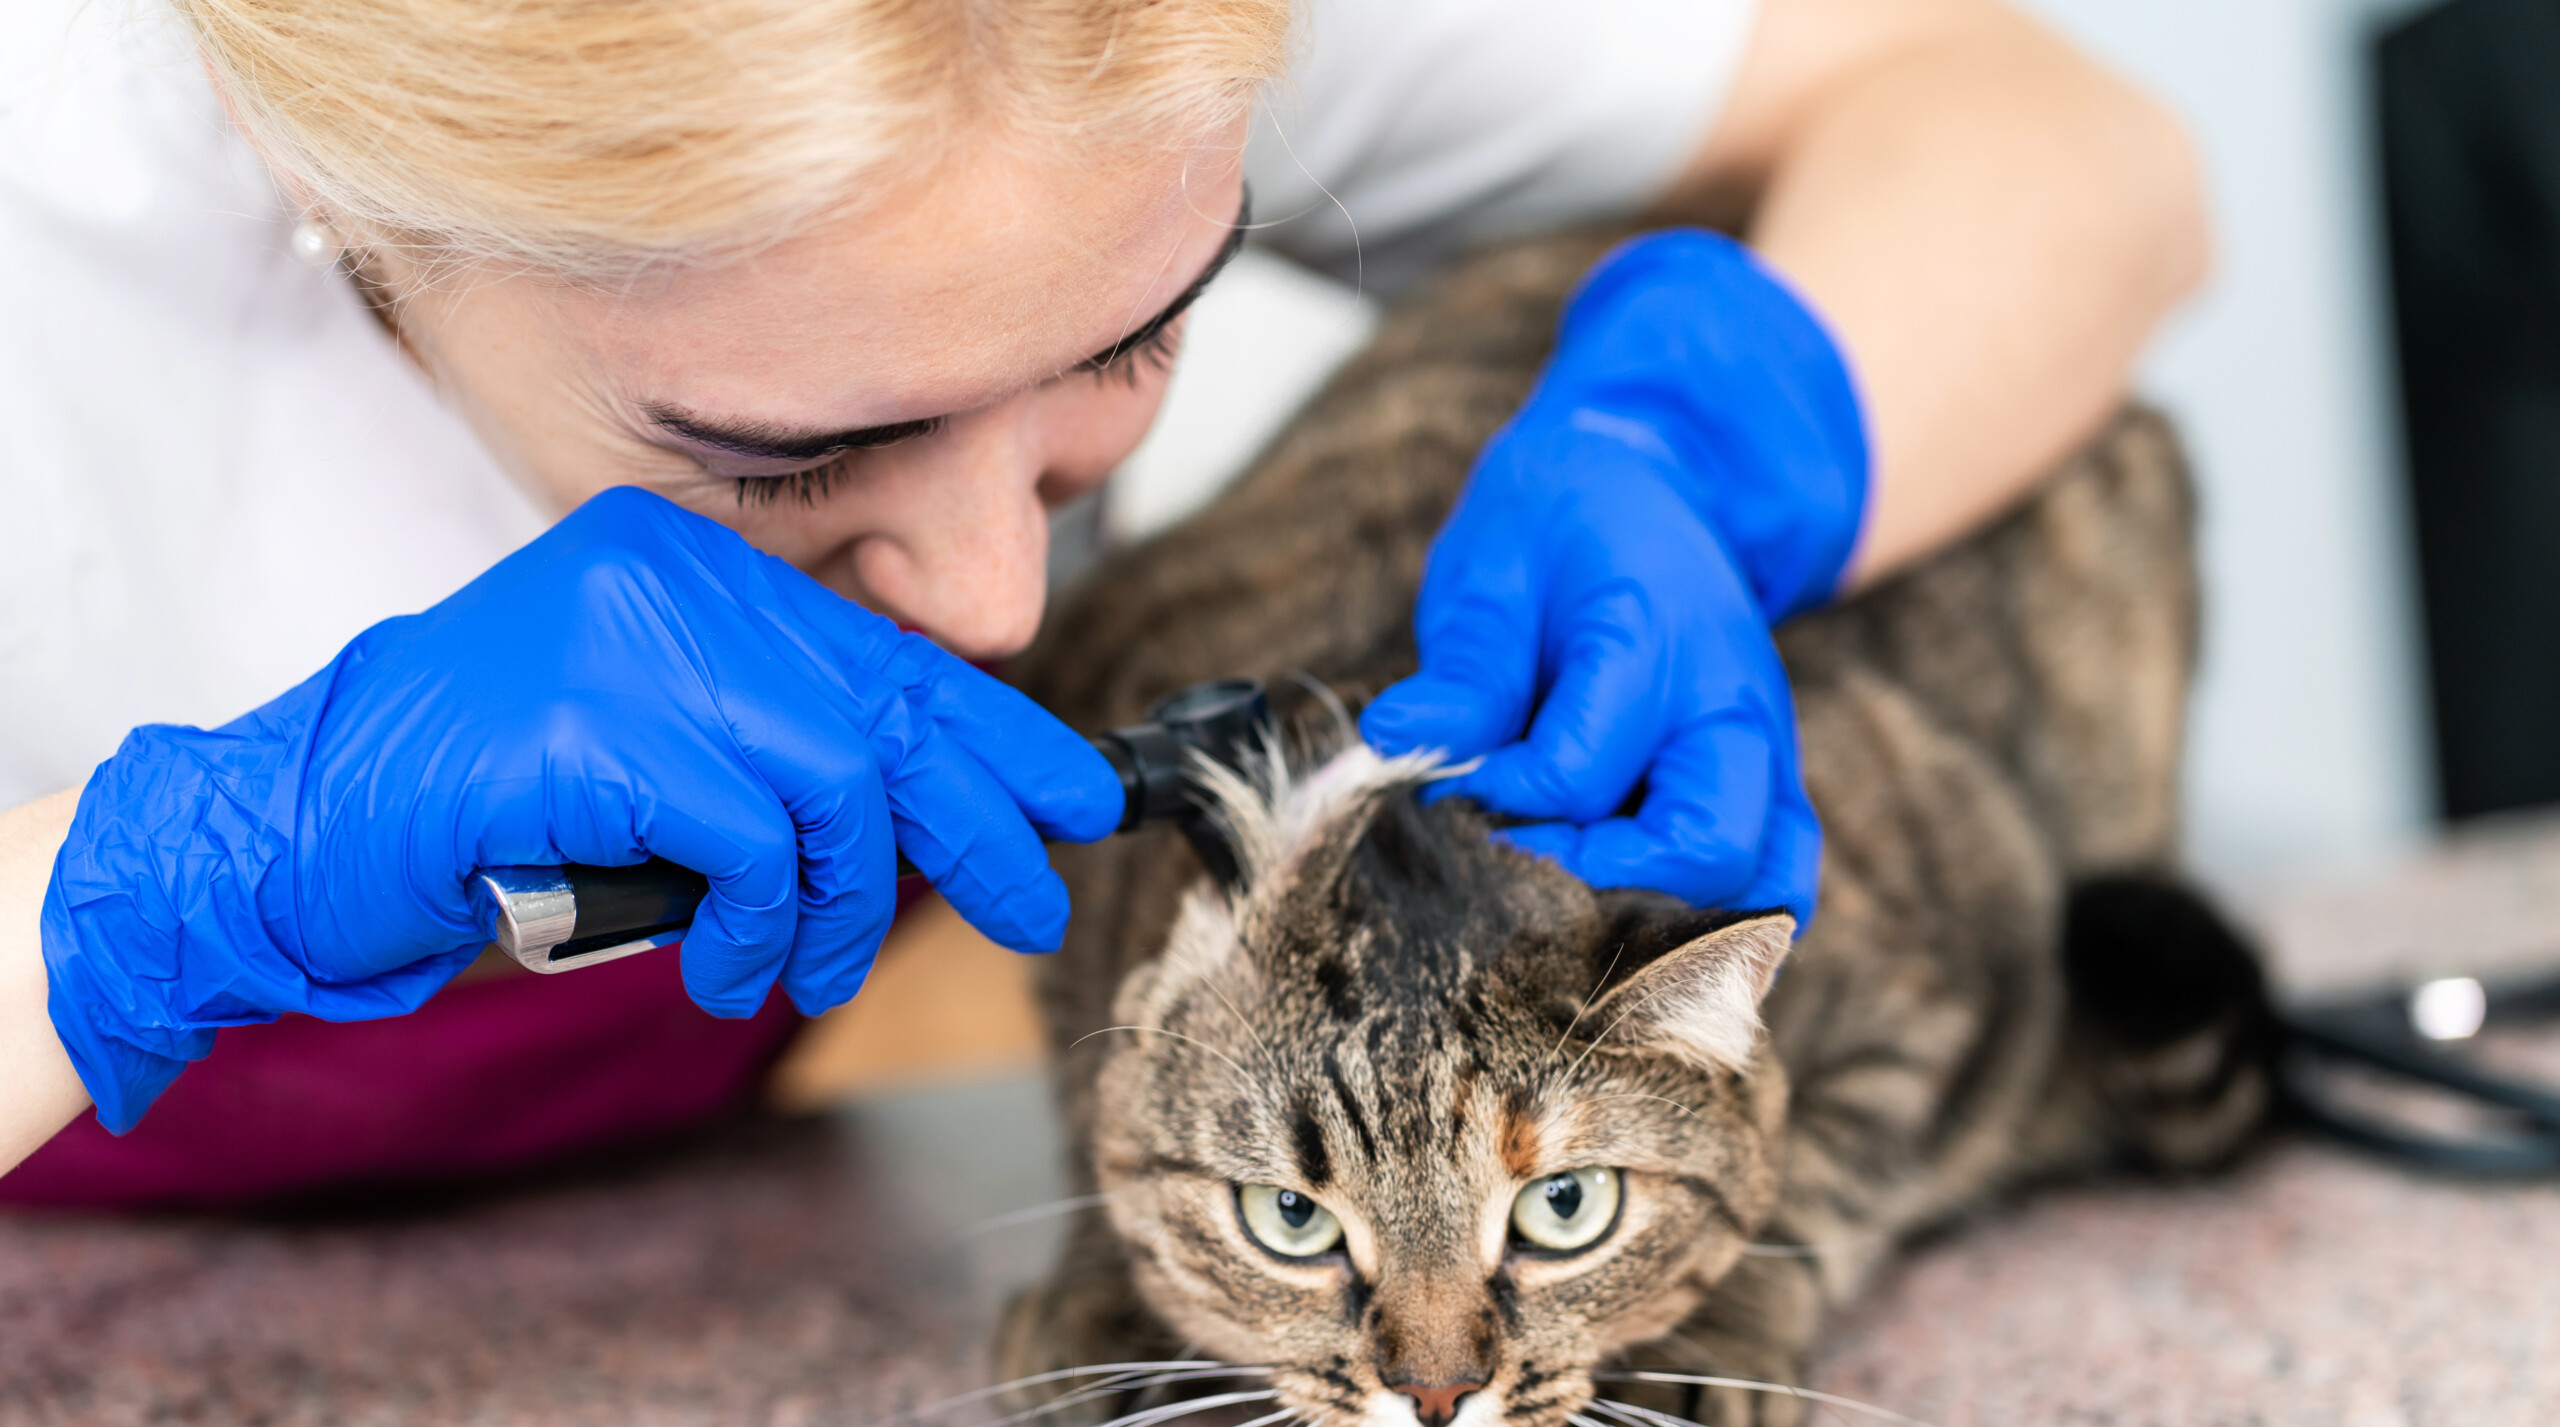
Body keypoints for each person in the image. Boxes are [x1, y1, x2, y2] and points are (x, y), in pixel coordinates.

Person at [0, 0, 2206, 1201]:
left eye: (1123, 337)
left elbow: (2061, 138)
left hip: (719, 1240)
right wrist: (156, 893)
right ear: (320, 176)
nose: (997, 591)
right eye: (779, 450)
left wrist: (1728, 441)